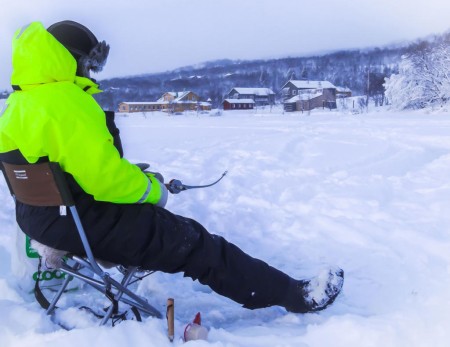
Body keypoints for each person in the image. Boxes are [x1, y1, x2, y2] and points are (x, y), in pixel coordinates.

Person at [0, 20, 343, 314]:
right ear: (70, 60)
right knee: (197, 243)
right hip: (84, 225)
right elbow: (106, 182)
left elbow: (65, 168)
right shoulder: (69, 103)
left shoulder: (19, 104)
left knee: (169, 224)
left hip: (43, 222)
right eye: (89, 64)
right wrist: (154, 190)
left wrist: (128, 177)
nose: (90, 72)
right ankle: (294, 296)